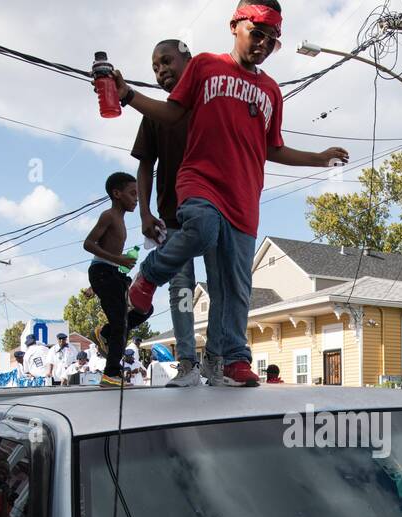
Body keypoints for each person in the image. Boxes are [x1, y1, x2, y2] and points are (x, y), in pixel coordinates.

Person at [113, 2, 350, 387]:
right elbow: (172, 113)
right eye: (256, 33)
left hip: (244, 197)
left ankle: (233, 359)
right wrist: (126, 95)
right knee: (202, 230)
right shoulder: (206, 67)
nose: (263, 44)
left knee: (234, 283)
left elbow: (273, 148)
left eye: (271, 40)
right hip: (200, 181)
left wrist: (317, 158)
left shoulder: (271, 91)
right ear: (235, 26)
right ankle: (149, 277)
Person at [133, 39, 203, 388]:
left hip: (217, 212)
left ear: (188, 58)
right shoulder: (155, 116)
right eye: (155, 68)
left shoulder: (212, 107)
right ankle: (188, 362)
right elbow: (146, 166)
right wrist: (144, 212)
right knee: (182, 290)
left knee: (223, 285)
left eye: (166, 61)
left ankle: (222, 359)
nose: (161, 71)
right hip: (173, 218)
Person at [83, 171, 142, 388]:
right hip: (102, 271)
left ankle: (106, 332)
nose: (137, 198)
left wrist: (119, 263)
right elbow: (89, 244)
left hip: (110, 273)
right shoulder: (108, 215)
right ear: (117, 193)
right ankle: (111, 374)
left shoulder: (122, 220)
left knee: (141, 310)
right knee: (120, 322)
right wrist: (118, 259)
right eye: (132, 193)